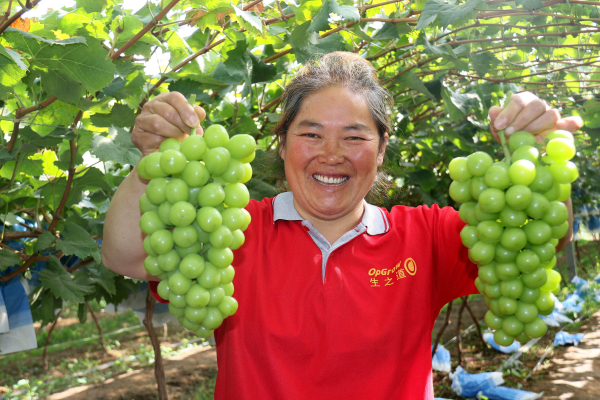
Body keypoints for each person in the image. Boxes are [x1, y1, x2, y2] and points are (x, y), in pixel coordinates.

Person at [102, 52, 582, 399]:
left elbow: (544, 237)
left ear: (380, 150)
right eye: (310, 134)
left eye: (354, 136)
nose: (330, 154)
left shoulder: (427, 235)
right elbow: (123, 255)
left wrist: (537, 159)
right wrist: (152, 160)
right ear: (284, 145)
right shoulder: (234, 230)